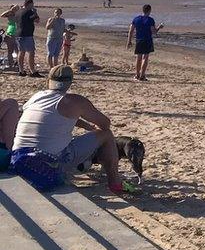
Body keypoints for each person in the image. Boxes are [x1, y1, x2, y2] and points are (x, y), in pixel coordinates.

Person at [10, 65, 134, 194]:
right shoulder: (75, 101)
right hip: (47, 166)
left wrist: (86, 125)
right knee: (106, 135)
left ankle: (90, 166)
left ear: (49, 81)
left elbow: (52, 117)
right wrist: (90, 124)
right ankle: (115, 183)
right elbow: (105, 124)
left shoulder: (37, 97)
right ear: (70, 83)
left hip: (18, 160)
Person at [126, 4, 162, 81]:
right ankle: (142, 75)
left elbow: (131, 30)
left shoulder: (136, 19)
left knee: (138, 57)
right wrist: (159, 27)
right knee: (145, 57)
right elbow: (154, 32)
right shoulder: (150, 20)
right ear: (149, 11)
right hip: (147, 40)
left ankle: (137, 74)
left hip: (139, 40)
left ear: (143, 10)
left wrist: (129, 41)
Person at [13, 0, 41, 77]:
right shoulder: (29, 11)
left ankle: (21, 70)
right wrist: (35, 12)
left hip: (18, 34)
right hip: (27, 34)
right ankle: (32, 71)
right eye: (32, 4)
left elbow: (17, 21)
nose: (33, 6)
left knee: (21, 52)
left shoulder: (18, 12)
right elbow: (37, 20)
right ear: (29, 4)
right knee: (31, 52)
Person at [1, 5, 18, 69]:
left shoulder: (19, 15)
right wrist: (10, 11)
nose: (15, 10)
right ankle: (11, 64)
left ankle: (18, 63)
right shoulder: (9, 15)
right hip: (10, 33)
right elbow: (2, 15)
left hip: (17, 34)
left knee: (18, 50)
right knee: (10, 51)